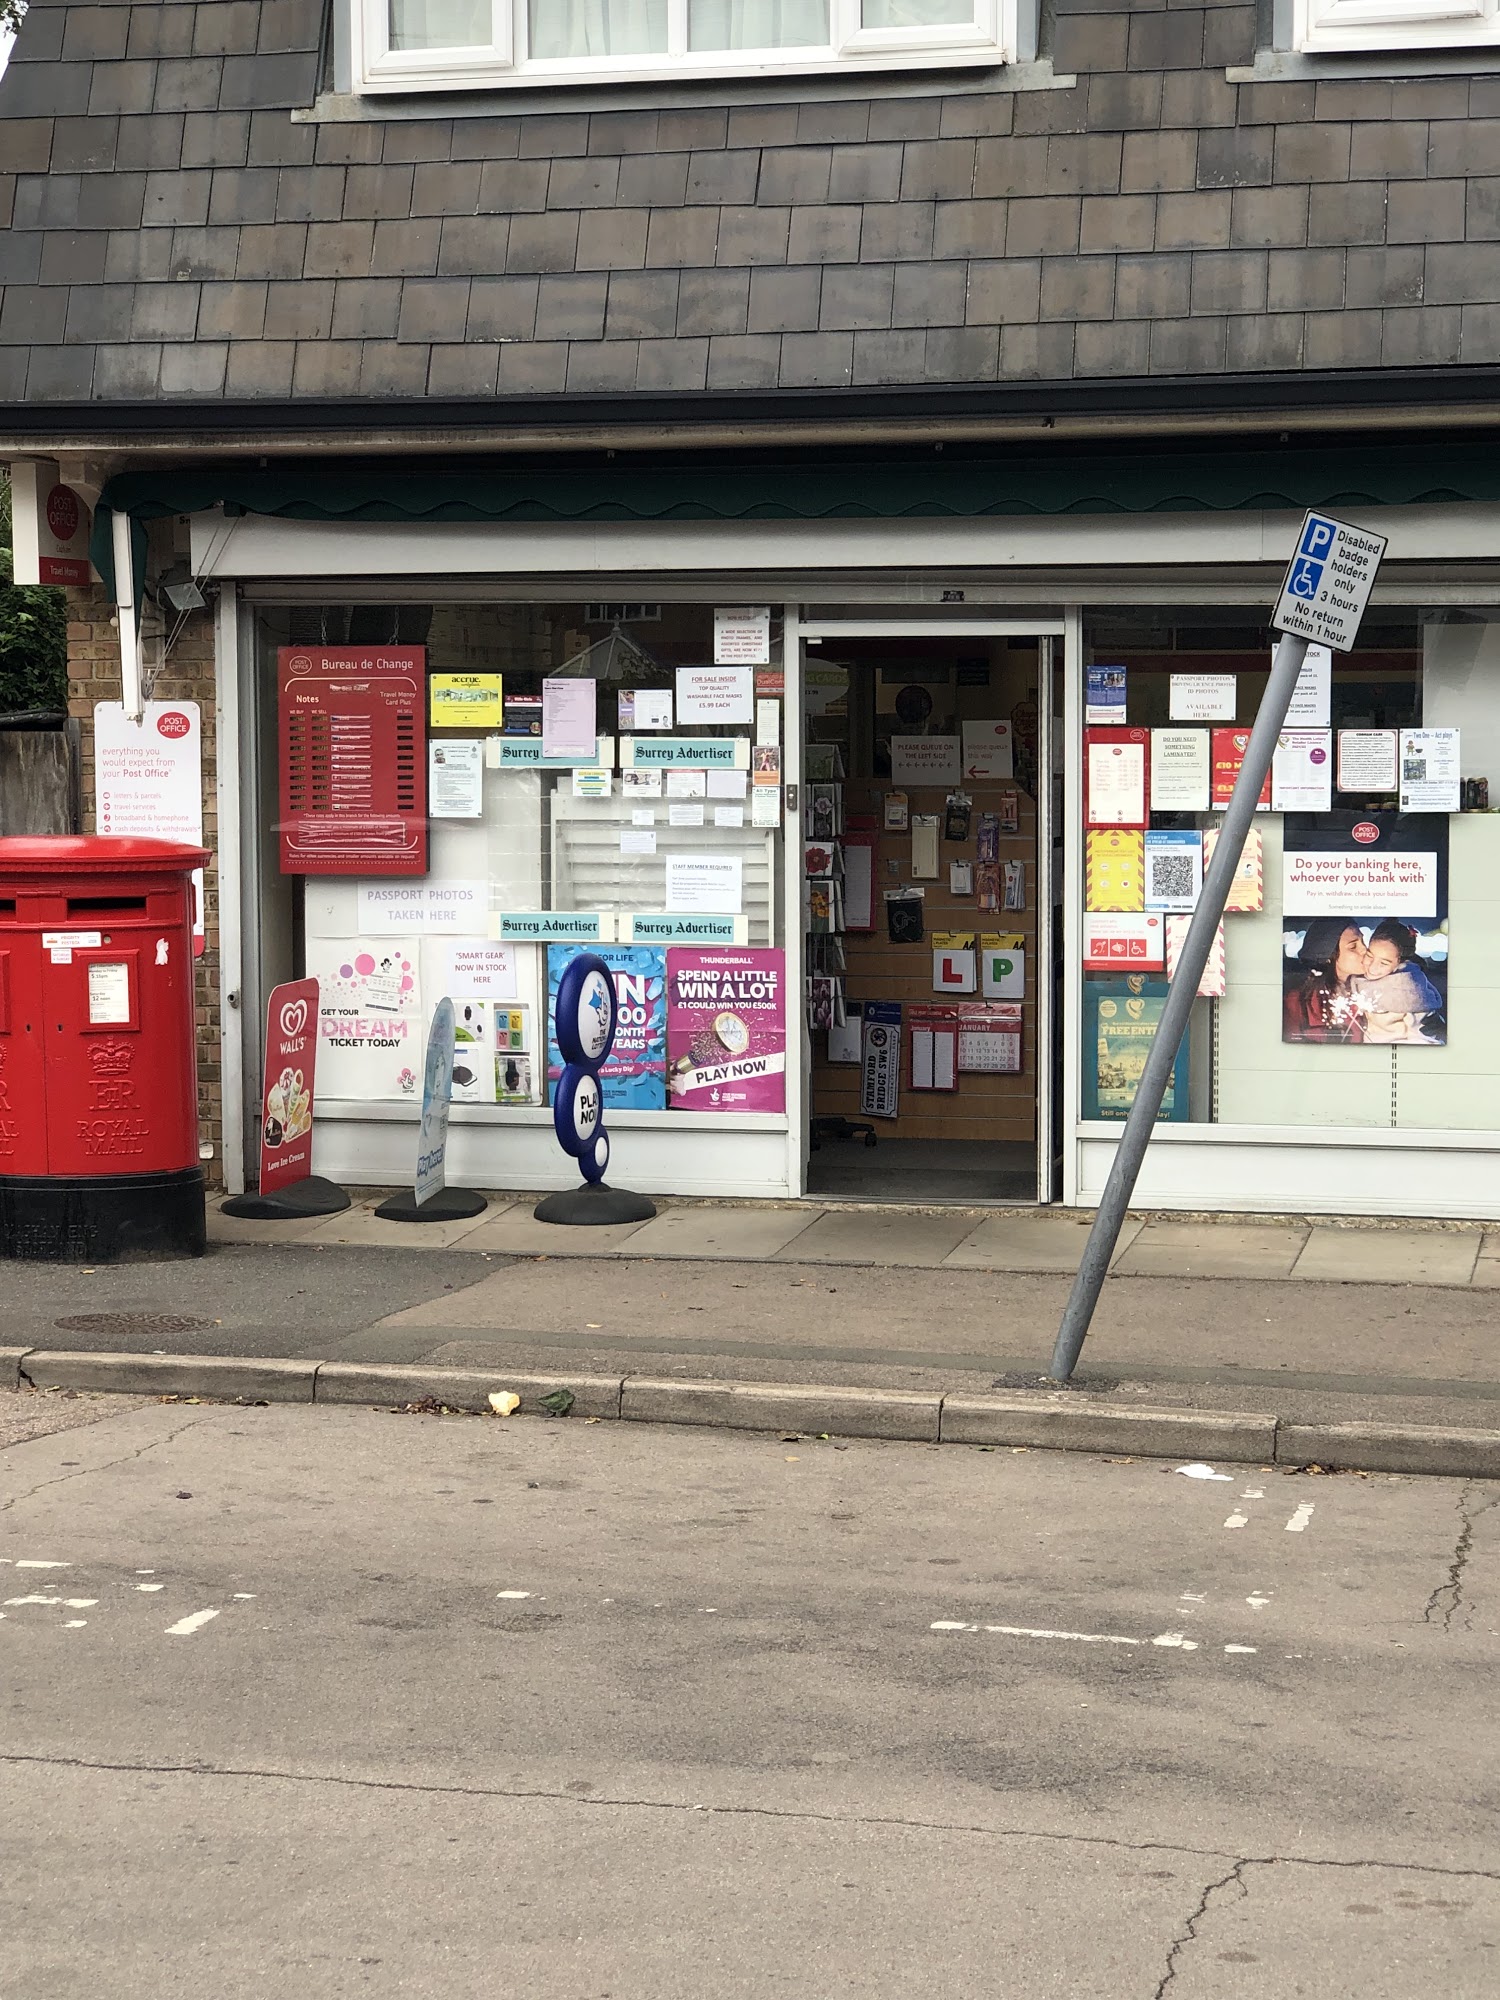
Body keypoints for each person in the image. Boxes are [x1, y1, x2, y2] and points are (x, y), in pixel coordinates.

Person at [1350, 919, 1444, 1043]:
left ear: (1400, 963)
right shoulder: (1358, 980)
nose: (1373, 967)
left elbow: (1424, 1038)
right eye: (1370, 956)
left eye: (1384, 963)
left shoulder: (1408, 991)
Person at [1284, 918, 1369, 1042]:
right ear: (1329, 955)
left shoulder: (1368, 993)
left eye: (1363, 941)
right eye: (1353, 946)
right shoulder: (1297, 1004)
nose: (1364, 950)